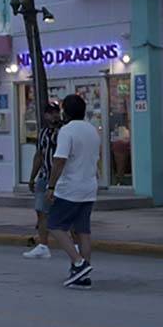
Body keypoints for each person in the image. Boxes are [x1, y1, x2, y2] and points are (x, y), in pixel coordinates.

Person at [46, 94, 100, 289]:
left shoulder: (67, 131)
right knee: (82, 231)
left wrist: (51, 186)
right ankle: (83, 276)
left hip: (70, 187)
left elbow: (60, 160)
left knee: (54, 224)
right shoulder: (92, 130)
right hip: (89, 186)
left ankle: (78, 263)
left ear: (65, 112)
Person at [24, 102, 61, 259]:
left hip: (61, 179)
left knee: (67, 211)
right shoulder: (43, 133)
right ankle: (43, 245)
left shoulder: (64, 132)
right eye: (51, 113)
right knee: (40, 211)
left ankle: (75, 244)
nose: (54, 115)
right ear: (45, 115)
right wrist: (32, 177)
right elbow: (39, 155)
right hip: (44, 176)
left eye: (56, 112)